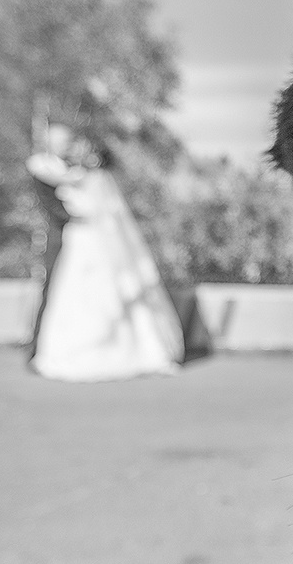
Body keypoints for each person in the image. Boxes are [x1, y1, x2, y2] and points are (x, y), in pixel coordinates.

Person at [26, 125, 184, 380]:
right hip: (70, 240)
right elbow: (52, 203)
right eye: (61, 143)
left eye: (69, 143)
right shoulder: (44, 167)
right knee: (61, 293)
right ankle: (41, 348)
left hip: (89, 240)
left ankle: (106, 349)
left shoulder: (91, 175)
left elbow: (104, 208)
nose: (67, 148)